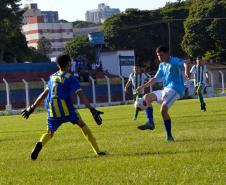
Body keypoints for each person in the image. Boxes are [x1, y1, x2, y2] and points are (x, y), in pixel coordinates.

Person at [21, 54, 107, 160]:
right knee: (83, 125)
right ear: (69, 64)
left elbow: (44, 94)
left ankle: (40, 143)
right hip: (67, 109)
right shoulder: (71, 78)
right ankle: (97, 151)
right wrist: (91, 109)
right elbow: (81, 96)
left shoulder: (52, 77)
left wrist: (32, 107)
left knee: (49, 133)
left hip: (52, 109)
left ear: (58, 65)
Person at [136, 46, 189, 141]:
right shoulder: (161, 65)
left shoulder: (174, 60)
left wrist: (186, 71)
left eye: (161, 55)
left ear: (167, 54)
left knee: (163, 110)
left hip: (176, 89)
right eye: (158, 56)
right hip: (166, 89)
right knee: (147, 97)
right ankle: (150, 122)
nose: (160, 57)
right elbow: (155, 79)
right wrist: (142, 87)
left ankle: (169, 136)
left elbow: (185, 63)